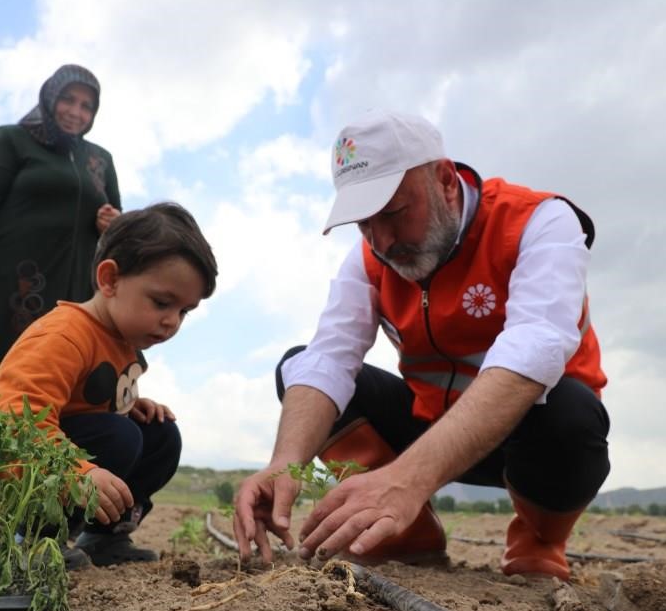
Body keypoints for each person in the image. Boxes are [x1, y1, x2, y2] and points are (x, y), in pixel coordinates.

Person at [234, 110, 610, 581]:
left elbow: (532, 352)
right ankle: (404, 536)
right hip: (426, 427)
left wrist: (407, 479)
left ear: (445, 180)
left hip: (525, 439)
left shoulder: (540, 222)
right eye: (364, 224)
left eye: (393, 214)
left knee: (570, 412)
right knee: (298, 368)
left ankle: (539, 540)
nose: (383, 241)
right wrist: (283, 464)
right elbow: (329, 356)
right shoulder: (371, 258)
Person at [0, 202, 218, 567]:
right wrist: (78, 474)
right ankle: (30, 538)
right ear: (110, 279)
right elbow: (15, 423)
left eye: (183, 311)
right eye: (162, 302)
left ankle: (104, 538)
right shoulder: (64, 334)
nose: (172, 322)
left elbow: (85, 403)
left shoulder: (124, 340)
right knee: (121, 436)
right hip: (21, 476)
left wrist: (130, 405)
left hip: (68, 454)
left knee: (160, 435)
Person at [0, 64, 121, 360]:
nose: (75, 112)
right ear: (50, 97)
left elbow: (122, 232)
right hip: (15, 281)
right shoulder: (12, 139)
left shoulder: (100, 160)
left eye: (86, 106)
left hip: (76, 291)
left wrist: (113, 224)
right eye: (68, 99)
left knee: (56, 369)